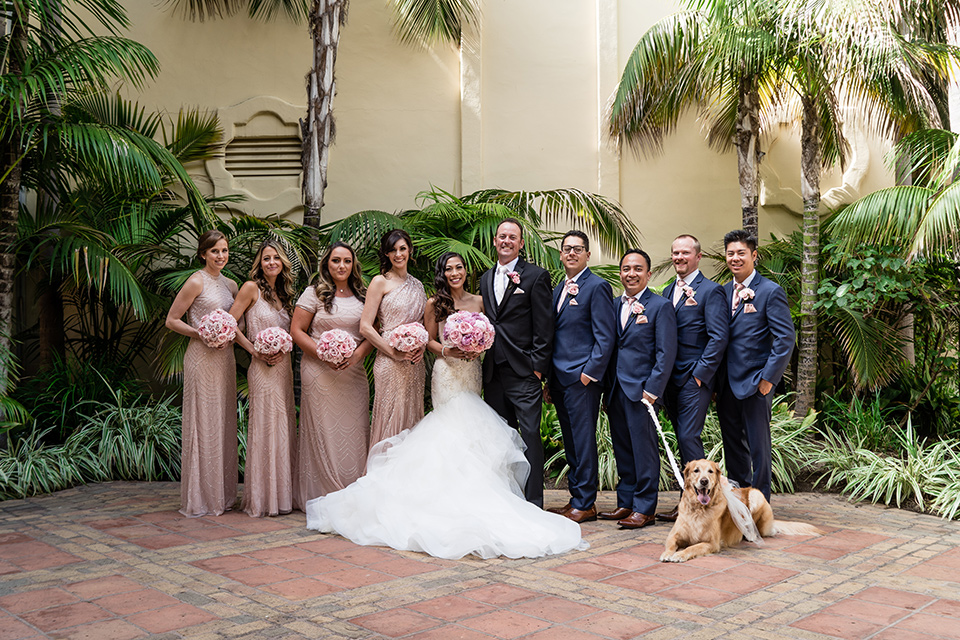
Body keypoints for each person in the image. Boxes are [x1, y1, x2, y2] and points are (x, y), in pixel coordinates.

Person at [305, 252, 585, 559]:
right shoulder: (433, 303)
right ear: (443, 273)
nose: (455, 272)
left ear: (466, 271)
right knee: (448, 428)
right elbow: (428, 340)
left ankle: (476, 496)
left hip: (472, 372)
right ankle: (442, 498)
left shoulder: (479, 301)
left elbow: (492, 335)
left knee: (472, 434)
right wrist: (449, 350)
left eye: (459, 267)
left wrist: (476, 346)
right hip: (447, 373)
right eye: (449, 268)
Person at [291, 242, 373, 506]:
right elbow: (297, 331)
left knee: (355, 429)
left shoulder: (364, 294)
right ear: (327, 263)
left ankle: (352, 490)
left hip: (353, 372)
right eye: (336, 261)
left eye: (347, 261)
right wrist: (324, 354)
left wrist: (357, 355)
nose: (342, 266)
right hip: (318, 371)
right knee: (322, 429)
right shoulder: (313, 293)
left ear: (353, 264)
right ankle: (320, 494)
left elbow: (373, 331)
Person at [479, 218, 554, 507]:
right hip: (493, 372)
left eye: (513, 237)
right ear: (495, 241)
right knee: (501, 436)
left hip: (524, 371)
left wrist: (537, 368)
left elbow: (545, 327)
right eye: (502, 236)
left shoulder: (535, 276)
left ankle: (533, 500)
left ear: (521, 244)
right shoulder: (486, 278)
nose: (506, 241)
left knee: (531, 435)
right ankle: (507, 497)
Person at [164, 230, 239, 517]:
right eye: (214, 251)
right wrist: (201, 333)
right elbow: (171, 320)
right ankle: (201, 496)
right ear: (203, 254)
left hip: (225, 359)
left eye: (224, 251)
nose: (220, 256)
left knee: (223, 421)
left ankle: (222, 494)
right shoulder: (196, 281)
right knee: (204, 422)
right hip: (201, 356)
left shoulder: (231, 285)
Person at [717, 230, 795, 502]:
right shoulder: (723, 292)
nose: (735, 258)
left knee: (758, 445)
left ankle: (761, 502)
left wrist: (768, 379)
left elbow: (785, 338)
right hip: (725, 381)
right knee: (732, 444)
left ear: (754, 256)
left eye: (741, 253)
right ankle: (739, 498)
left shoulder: (770, 291)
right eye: (730, 253)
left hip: (756, 381)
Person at [601, 249, 677, 529]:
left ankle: (645, 507)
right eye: (625, 269)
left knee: (644, 450)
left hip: (643, 391)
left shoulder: (659, 306)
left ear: (648, 273)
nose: (630, 274)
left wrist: (653, 390)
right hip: (615, 389)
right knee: (622, 447)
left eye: (637, 269)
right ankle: (626, 502)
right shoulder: (611, 304)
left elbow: (665, 352)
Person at [657, 235, 728, 522]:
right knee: (681, 438)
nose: (679, 257)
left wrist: (700, 376)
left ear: (698, 257)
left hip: (693, 380)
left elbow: (718, 337)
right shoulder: (665, 292)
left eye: (685, 252)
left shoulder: (711, 292)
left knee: (688, 436)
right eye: (675, 252)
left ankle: (700, 503)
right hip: (668, 380)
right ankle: (687, 502)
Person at [547, 230, 616, 523]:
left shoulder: (596, 287)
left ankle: (586, 502)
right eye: (566, 249)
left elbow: (606, 337)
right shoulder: (558, 289)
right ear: (561, 255)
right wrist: (550, 380)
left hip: (581, 379)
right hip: (559, 378)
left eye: (578, 249)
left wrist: (589, 374)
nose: (571, 253)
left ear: (588, 255)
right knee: (572, 442)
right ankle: (576, 498)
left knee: (584, 440)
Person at [228, 240, 297, 517]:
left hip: (284, 368)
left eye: (276, 258)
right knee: (265, 425)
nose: (271, 262)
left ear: (283, 263)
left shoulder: (285, 294)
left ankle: (281, 496)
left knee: (282, 424)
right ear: (260, 262)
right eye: (266, 258)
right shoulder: (250, 288)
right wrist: (254, 351)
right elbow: (229, 324)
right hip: (261, 367)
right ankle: (262, 498)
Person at [359, 229, 427, 449]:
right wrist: (393, 352)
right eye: (393, 250)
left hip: (414, 362)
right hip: (389, 360)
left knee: (411, 415)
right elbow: (366, 327)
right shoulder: (380, 282)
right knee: (389, 415)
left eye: (402, 249)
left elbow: (424, 325)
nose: (398, 254)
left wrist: (421, 347)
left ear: (410, 250)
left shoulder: (418, 285)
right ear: (386, 254)